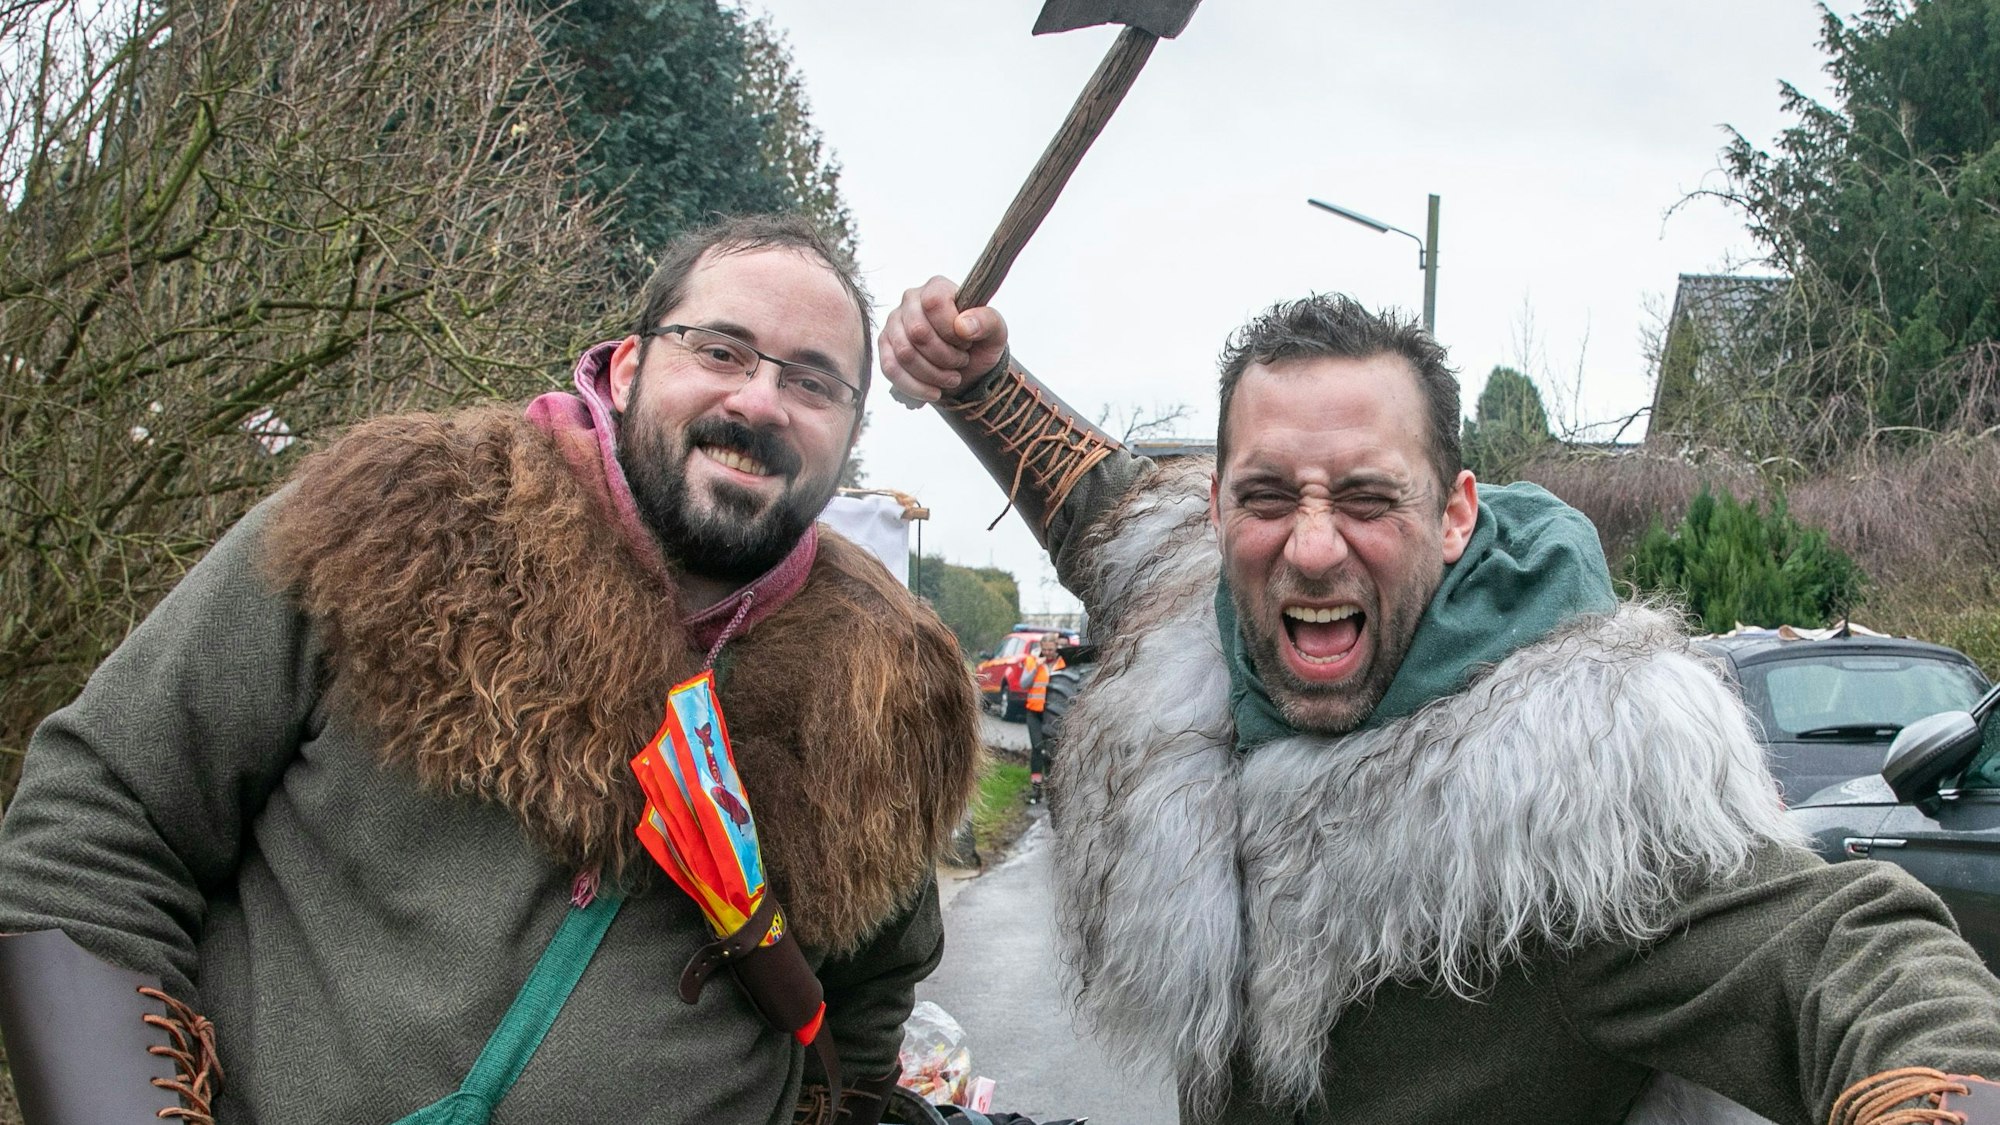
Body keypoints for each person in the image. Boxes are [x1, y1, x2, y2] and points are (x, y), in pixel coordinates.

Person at [878, 278, 2000, 1125]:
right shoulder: (1201, 608)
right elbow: (1103, 508)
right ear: (1216, 508)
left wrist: (1946, 1097)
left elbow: (1841, 952)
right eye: (1266, 497)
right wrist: (981, 382)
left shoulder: (1577, 804)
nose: (1312, 547)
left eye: (1368, 498)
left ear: (1455, 514)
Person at [0, 215, 983, 1125]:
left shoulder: (891, 689)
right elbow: (100, 820)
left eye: (812, 383)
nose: (759, 401)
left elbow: (868, 998)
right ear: (629, 366)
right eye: (720, 350)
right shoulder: (389, 525)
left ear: (848, 432)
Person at [1021, 633, 1065, 803]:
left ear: (1056, 647)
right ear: (1041, 648)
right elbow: (1024, 684)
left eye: (1051, 649)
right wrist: (1036, 667)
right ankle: (1036, 788)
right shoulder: (1032, 661)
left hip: (1053, 714)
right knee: (1037, 748)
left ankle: (1052, 788)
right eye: (1045, 649)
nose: (1047, 653)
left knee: (1051, 750)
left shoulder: (1062, 662)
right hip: (1034, 712)